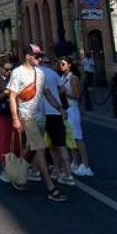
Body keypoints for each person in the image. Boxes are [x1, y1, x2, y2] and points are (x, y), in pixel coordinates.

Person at [8, 44, 67, 202]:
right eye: (37, 56)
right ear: (28, 56)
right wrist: (15, 118)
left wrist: (59, 107)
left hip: (41, 116)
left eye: (40, 56)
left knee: (32, 148)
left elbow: (47, 94)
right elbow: (12, 97)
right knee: (40, 148)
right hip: (26, 117)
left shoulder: (41, 73)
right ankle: (51, 187)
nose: (39, 59)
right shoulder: (18, 72)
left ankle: (17, 173)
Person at [40, 56, 74, 185]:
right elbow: (62, 89)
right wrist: (56, 95)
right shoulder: (53, 73)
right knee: (61, 145)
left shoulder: (36, 73)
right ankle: (68, 174)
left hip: (43, 112)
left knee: (50, 146)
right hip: (56, 111)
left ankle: (57, 170)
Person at [58, 56, 93, 176]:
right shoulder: (63, 78)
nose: (61, 65)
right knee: (71, 137)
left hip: (72, 109)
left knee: (78, 137)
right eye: (60, 63)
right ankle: (76, 162)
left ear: (69, 65)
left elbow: (77, 96)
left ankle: (86, 165)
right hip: (65, 109)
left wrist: (64, 93)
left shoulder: (73, 78)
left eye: (63, 64)